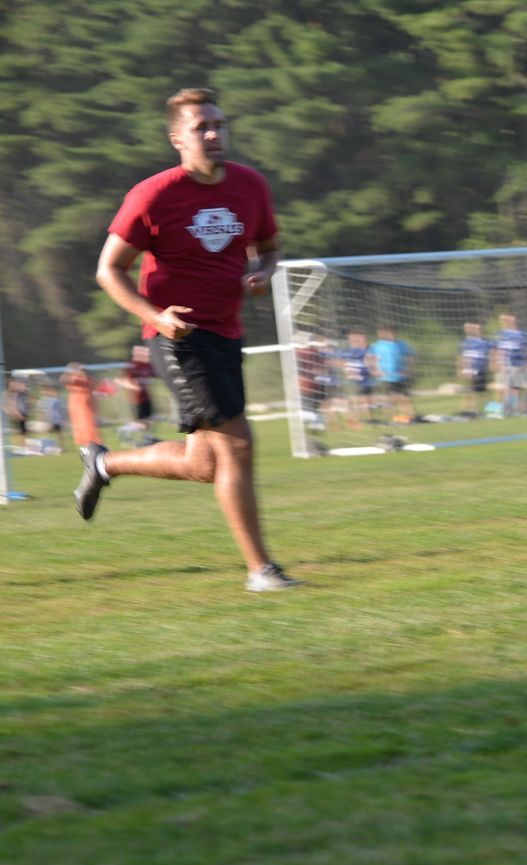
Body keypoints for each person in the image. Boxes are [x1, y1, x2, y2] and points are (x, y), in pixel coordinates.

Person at [75, 87, 300, 590]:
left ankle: (103, 462)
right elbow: (109, 271)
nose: (215, 134)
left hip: (227, 333)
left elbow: (268, 247)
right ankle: (261, 570)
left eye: (220, 124)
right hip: (179, 337)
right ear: (178, 138)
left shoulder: (250, 185)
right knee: (238, 445)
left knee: (203, 464)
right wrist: (155, 314)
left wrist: (262, 272)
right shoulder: (153, 195)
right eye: (202, 127)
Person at [369, 325, 414, 424]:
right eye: (388, 333)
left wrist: (408, 369)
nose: (391, 335)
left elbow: (410, 356)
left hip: (400, 376)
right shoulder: (377, 345)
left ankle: (409, 418)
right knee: (392, 399)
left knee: (405, 398)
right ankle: (396, 418)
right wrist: (374, 370)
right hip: (385, 377)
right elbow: (370, 358)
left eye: (393, 333)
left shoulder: (402, 344)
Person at [492, 313, 527, 416]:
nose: (507, 322)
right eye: (505, 321)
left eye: (509, 320)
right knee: (505, 388)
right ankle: (506, 410)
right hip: (505, 365)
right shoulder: (501, 334)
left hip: (518, 364)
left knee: (516, 388)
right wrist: (496, 362)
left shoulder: (521, 334)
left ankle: (515, 410)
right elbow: (496, 350)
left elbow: (526, 350)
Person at [119, 344, 157, 441]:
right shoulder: (132, 365)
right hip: (135, 399)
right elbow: (121, 380)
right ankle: (123, 430)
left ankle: (146, 438)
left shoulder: (147, 365)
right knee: (141, 423)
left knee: (149, 420)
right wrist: (134, 387)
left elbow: (155, 374)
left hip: (146, 397)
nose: (146, 355)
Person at [457, 322, 493, 416]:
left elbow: (492, 352)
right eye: (466, 328)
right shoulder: (465, 342)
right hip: (469, 370)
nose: (468, 329)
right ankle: (468, 410)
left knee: (484, 392)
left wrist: (492, 363)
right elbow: (461, 357)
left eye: (471, 328)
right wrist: (460, 369)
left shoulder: (484, 342)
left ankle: (491, 410)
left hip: (480, 369)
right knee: (470, 391)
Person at [341, 329, 375, 427]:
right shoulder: (348, 350)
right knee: (355, 400)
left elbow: (371, 360)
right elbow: (344, 363)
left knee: (366, 400)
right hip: (353, 378)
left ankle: (369, 420)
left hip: (365, 378)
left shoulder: (368, 348)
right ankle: (353, 421)